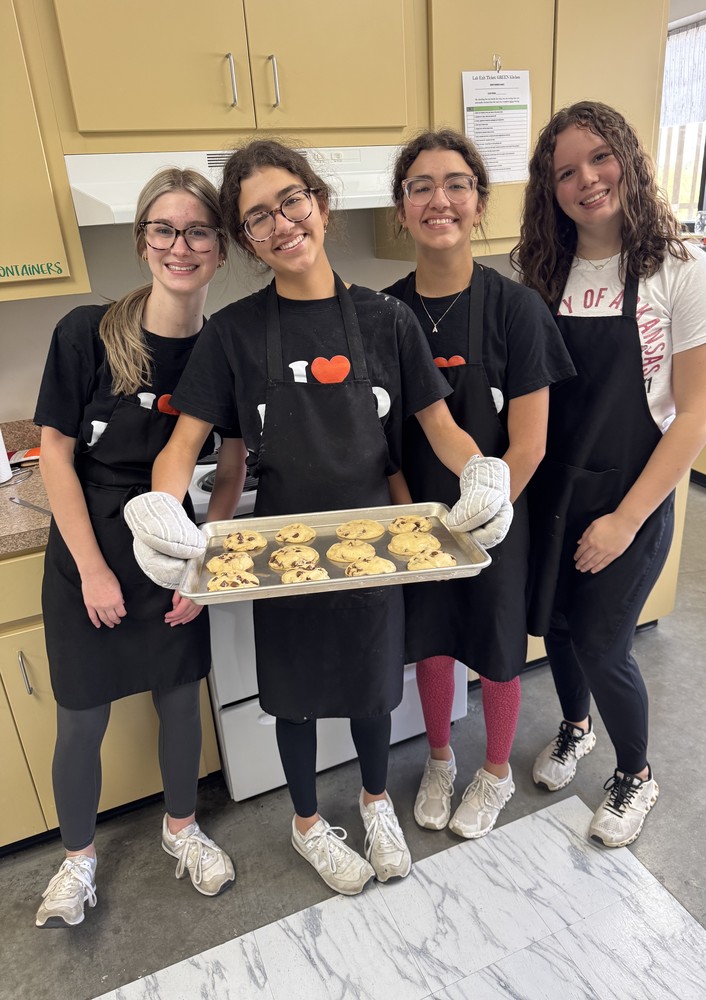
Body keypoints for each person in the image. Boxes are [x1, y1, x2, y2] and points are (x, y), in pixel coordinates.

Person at [125, 139, 511, 896]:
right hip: (281, 547)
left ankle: (375, 805)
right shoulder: (233, 334)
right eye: (257, 216)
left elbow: (438, 425)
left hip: (375, 543)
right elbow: (184, 446)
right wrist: (160, 505)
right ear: (246, 239)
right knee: (295, 698)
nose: (281, 223)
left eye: (291, 201)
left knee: (373, 689)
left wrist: (481, 472)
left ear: (321, 204)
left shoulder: (388, 321)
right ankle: (307, 825)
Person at [512, 101, 706, 847]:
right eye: (565, 171)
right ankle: (575, 728)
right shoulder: (541, 270)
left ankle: (635, 774)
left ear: (629, 160)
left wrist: (626, 520)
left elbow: (697, 415)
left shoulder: (679, 267)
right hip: (552, 489)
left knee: (605, 642)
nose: (587, 180)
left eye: (599, 158)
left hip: (628, 494)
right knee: (560, 630)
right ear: (551, 189)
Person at [33, 168, 239, 929]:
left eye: (198, 232)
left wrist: (203, 565)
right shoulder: (86, 331)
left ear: (220, 248)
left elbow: (233, 465)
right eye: (165, 229)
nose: (180, 246)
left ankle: (181, 829)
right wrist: (91, 570)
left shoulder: (223, 350)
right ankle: (77, 860)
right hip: (86, 549)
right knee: (81, 717)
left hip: (172, 552)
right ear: (143, 241)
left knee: (180, 704)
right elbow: (55, 455)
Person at [382, 129, 575, 838]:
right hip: (418, 519)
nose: (441, 200)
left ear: (480, 203)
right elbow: (385, 441)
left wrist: (485, 516)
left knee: (494, 648)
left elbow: (530, 443)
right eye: (421, 186)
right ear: (401, 210)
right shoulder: (382, 314)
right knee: (431, 642)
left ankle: (493, 772)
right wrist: (413, 518)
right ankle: (440, 759)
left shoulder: (518, 310)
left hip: (501, 518)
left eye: (456, 184)